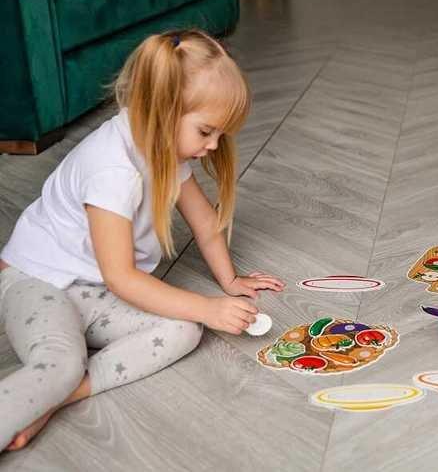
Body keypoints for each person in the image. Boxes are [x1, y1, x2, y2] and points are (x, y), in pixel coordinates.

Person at [0, 29, 285, 451]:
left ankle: (59, 397)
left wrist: (228, 281)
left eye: (219, 136)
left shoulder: (167, 148)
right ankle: (47, 391)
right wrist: (209, 307)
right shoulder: (111, 171)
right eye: (206, 132)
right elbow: (122, 279)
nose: (212, 146)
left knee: (184, 329)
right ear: (163, 111)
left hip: (91, 289)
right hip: (36, 280)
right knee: (60, 363)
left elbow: (205, 224)